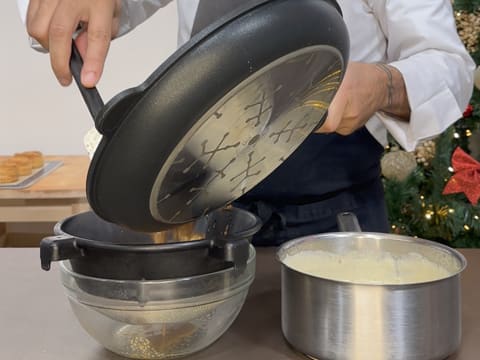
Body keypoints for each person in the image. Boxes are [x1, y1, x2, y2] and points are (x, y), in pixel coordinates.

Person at [18, 0, 475, 245]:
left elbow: (450, 68)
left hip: (337, 218)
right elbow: (80, 10)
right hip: (200, 211)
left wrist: (382, 85)